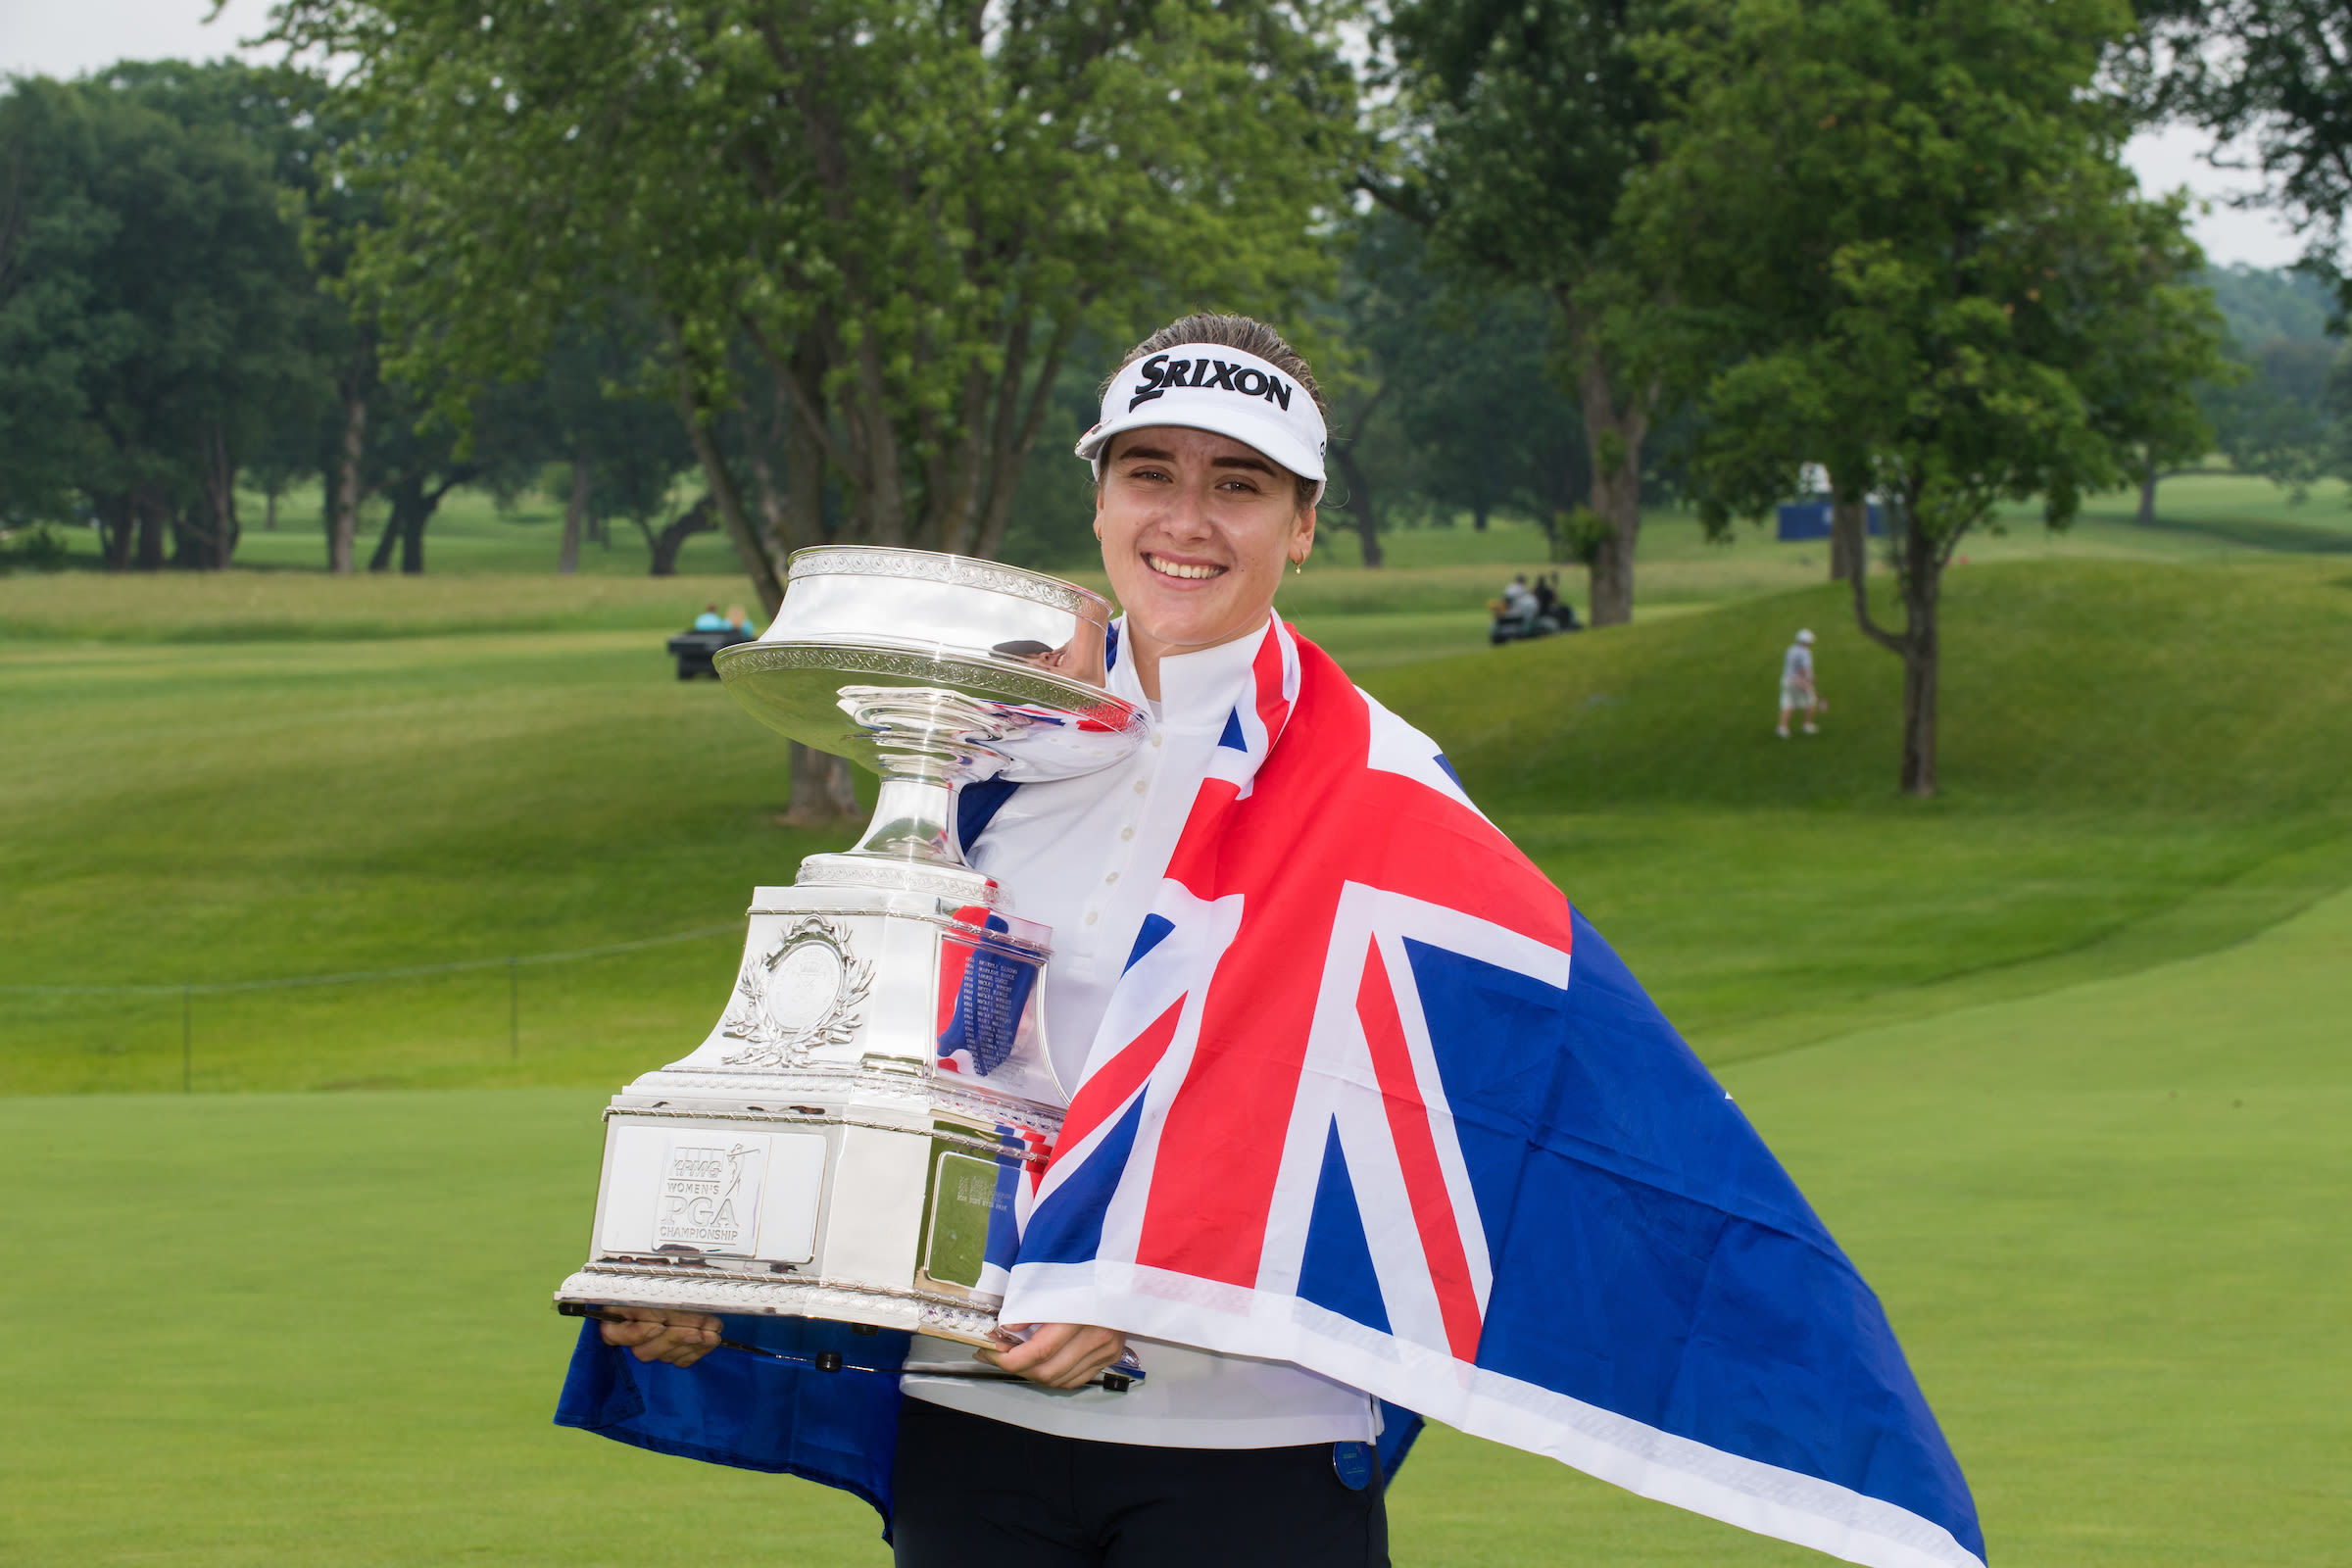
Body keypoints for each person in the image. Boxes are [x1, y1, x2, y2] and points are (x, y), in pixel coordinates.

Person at [581, 317, 1986, 1568]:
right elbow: (908, 1075)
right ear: (1101, 496)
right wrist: (727, 1273)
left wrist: (1137, 1276)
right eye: (1153, 472)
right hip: (974, 1422)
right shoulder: (985, 756)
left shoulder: (1381, 790)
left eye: (1237, 484)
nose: (1187, 517)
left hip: (1247, 1453)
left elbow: (1496, 1092)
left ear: (1302, 524)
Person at [1778, 627, 1820, 737]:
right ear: (1806, 642)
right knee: (1811, 701)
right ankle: (1807, 726)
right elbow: (1803, 669)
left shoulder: (1790, 649)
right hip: (1799, 682)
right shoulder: (1805, 652)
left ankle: (1782, 728)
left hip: (1787, 680)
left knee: (1788, 704)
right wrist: (1809, 679)